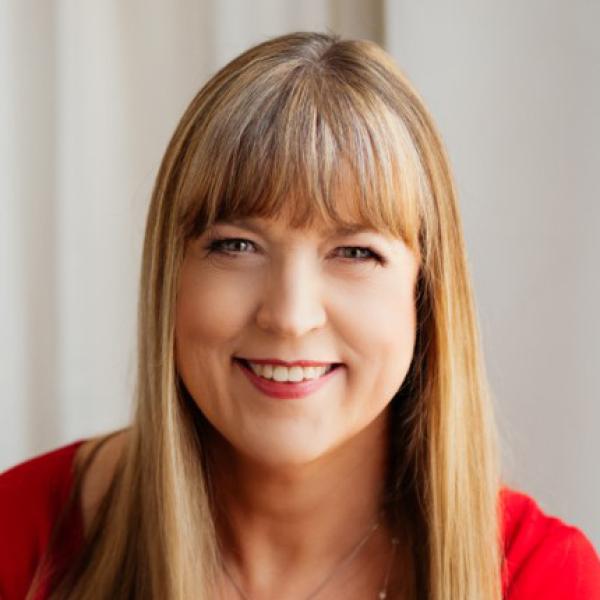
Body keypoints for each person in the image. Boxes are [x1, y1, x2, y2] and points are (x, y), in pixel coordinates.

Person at [0, 31, 599, 600]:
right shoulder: (22, 532)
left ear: (425, 294)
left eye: (355, 252)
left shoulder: (546, 577)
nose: (289, 316)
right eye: (235, 244)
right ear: (170, 277)